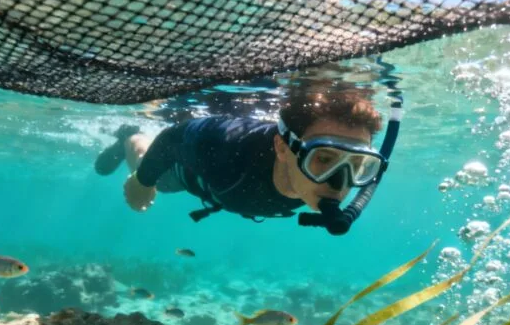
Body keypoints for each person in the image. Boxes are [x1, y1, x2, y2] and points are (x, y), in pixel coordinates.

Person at [94, 88, 386, 224]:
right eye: (323, 159)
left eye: (358, 166)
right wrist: (143, 182)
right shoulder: (228, 148)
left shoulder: (314, 183)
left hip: (227, 194)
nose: (339, 185)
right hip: (189, 171)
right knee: (159, 179)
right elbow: (174, 136)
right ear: (282, 148)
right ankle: (130, 136)